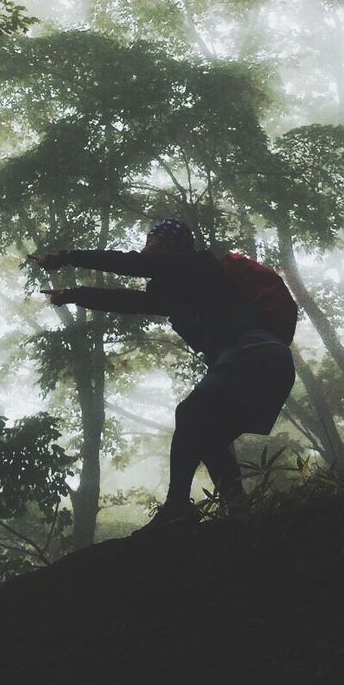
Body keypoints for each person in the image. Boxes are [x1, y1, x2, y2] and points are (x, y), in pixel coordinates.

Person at [29, 218, 296, 527]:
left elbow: (130, 264)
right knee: (207, 434)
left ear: (169, 246)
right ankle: (240, 511)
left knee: (189, 415)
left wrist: (66, 257)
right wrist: (74, 294)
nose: (145, 248)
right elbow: (128, 301)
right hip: (270, 364)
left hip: (252, 353)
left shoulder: (192, 265)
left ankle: (178, 505)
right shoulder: (182, 290)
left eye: (151, 242)